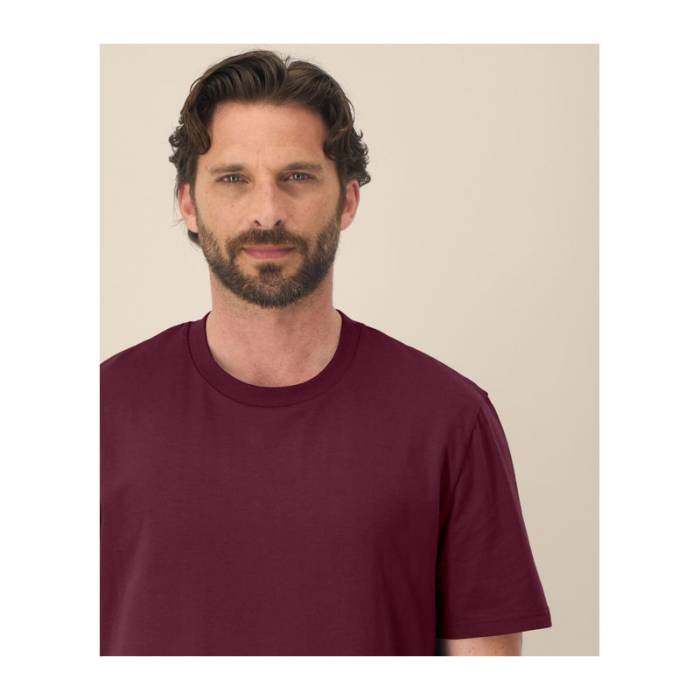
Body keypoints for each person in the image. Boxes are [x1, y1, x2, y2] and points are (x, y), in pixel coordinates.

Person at [100, 49, 552, 656]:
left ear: (347, 201)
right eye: (233, 179)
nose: (267, 212)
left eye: (298, 177)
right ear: (188, 203)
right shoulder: (100, 412)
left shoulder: (449, 420)